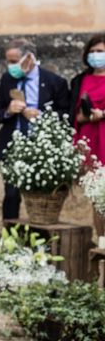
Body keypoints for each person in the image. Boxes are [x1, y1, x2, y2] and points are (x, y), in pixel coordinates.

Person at [0, 38, 70, 220]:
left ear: (29, 58)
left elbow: (66, 114)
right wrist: (9, 111)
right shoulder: (7, 79)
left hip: (42, 149)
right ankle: (9, 239)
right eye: (8, 61)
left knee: (41, 198)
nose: (10, 66)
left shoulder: (55, 81)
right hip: (13, 147)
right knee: (11, 196)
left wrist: (41, 116)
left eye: (13, 61)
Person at [69, 33, 105, 237]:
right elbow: (73, 113)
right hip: (90, 143)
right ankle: (102, 243)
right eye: (92, 51)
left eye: (100, 51)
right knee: (98, 198)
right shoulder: (80, 80)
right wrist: (85, 116)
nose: (95, 55)